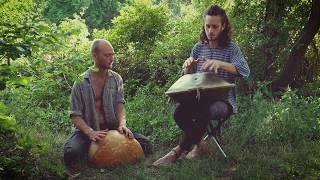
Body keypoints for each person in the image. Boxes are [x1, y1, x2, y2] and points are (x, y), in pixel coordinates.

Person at [153, 5, 250, 167]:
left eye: (215, 26)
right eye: (207, 26)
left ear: (223, 26)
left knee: (205, 110)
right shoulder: (198, 48)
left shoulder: (231, 48)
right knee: (179, 112)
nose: (210, 30)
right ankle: (200, 144)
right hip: (199, 98)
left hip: (223, 102)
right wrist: (187, 69)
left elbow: (245, 71)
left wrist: (220, 64)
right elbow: (190, 80)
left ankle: (176, 152)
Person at [64, 39, 152, 170]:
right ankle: (91, 152)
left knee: (146, 144)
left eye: (112, 54)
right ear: (94, 55)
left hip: (113, 128)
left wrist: (122, 125)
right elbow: (75, 115)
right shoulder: (81, 82)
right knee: (72, 153)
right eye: (107, 55)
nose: (112, 58)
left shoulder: (117, 79)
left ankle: (103, 154)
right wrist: (90, 133)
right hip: (87, 130)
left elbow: (120, 104)